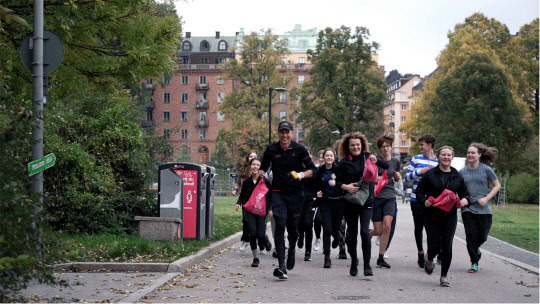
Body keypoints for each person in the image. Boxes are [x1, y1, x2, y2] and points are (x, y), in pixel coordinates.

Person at [260, 121, 315, 280]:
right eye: (282, 132)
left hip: (296, 195)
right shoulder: (271, 149)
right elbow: (263, 167)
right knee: (280, 225)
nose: (285, 135)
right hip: (278, 193)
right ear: (278, 133)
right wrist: (262, 176)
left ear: (292, 133)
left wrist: (300, 175)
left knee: (292, 229)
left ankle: (292, 250)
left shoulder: (299, 149)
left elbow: (313, 169)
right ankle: (281, 266)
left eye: (287, 132)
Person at [415, 146, 470, 287]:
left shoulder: (457, 175)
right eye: (443, 155)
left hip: (450, 215)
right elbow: (419, 192)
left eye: (449, 155)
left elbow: (465, 194)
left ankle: (444, 276)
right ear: (438, 157)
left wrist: (465, 200)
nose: (446, 157)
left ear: (452, 157)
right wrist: (424, 201)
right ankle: (430, 258)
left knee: (447, 245)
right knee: (434, 244)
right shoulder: (430, 174)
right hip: (432, 214)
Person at [335, 132, 388, 277]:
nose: (355, 147)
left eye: (358, 144)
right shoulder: (343, 162)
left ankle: (367, 265)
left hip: (367, 201)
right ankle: (353, 262)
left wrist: (376, 160)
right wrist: (347, 187)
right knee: (351, 234)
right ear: (348, 147)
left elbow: (387, 164)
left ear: (362, 145)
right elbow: (337, 182)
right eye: (352, 145)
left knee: (364, 232)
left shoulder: (368, 157)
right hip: (350, 201)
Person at [459, 143, 500, 273]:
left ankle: (476, 249)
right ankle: (474, 262)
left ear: (479, 155)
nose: (470, 155)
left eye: (473, 152)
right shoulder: (462, 172)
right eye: (468, 152)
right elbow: (458, 189)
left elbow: (497, 186)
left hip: (484, 208)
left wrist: (487, 199)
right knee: (470, 235)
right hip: (468, 208)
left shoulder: (486, 169)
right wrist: (461, 199)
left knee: (482, 237)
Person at [405, 134, 438, 268]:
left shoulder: (438, 161)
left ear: (429, 145)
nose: (420, 147)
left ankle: (429, 255)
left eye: (422, 145)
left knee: (431, 229)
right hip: (416, 199)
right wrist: (419, 171)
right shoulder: (416, 159)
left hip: (431, 201)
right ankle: (420, 252)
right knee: (418, 227)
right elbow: (407, 177)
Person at [369, 135, 401, 269]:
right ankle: (367, 234)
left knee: (387, 225)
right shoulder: (375, 160)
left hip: (389, 195)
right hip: (376, 196)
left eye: (387, 146)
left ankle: (381, 257)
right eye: (383, 146)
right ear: (379, 148)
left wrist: (397, 177)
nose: (385, 148)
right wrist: (376, 178)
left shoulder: (395, 161)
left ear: (391, 147)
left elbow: (396, 178)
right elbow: (368, 176)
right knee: (377, 230)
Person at [235, 158, 273, 267]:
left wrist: (270, 208)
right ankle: (255, 258)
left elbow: (270, 195)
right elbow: (242, 196)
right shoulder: (247, 182)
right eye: (253, 165)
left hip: (261, 211)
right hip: (250, 211)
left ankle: (264, 244)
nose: (255, 167)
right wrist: (238, 203)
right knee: (253, 233)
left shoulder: (265, 181)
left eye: (257, 165)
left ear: (260, 167)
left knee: (261, 235)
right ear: (250, 166)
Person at [315, 148, 343, 268]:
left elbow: (344, 183)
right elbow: (315, 185)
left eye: (331, 156)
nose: (329, 158)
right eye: (327, 156)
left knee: (335, 228)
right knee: (326, 229)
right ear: (324, 157)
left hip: (338, 202)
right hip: (325, 202)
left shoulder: (338, 170)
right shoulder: (320, 171)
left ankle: (336, 237)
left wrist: (336, 184)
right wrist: (317, 193)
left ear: (334, 157)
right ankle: (327, 257)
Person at [297, 150, 319, 262]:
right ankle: (300, 235)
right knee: (300, 224)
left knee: (308, 223)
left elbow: (318, 183)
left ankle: (308, 251)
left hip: (311, 200)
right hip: (298, 200)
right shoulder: (297, 168)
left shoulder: (315, 170)